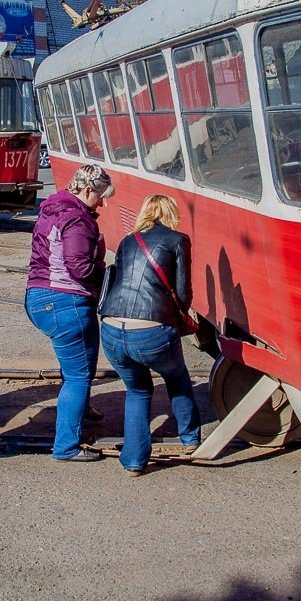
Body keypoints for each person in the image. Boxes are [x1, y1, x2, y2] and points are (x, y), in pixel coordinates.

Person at [99, 195, 202, 477]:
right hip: (150, 331)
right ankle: (190, 437)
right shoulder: (177, 240)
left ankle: (133, 461)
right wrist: (181, 320)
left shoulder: (127, 241)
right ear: (172, 214)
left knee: (138, 390)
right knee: (177, 376)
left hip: (111, 330)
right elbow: (182, 293)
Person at [26, 163, 113, 462]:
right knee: (78, 376)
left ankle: (81, 410)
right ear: (87, 190)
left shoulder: (52, 209)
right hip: (65, 300)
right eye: (101, 196)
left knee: (80, 365)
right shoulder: (76, 218)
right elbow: (79, 266)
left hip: (40, 296)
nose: (103, 202)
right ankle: (66, 446)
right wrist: (106, 275)